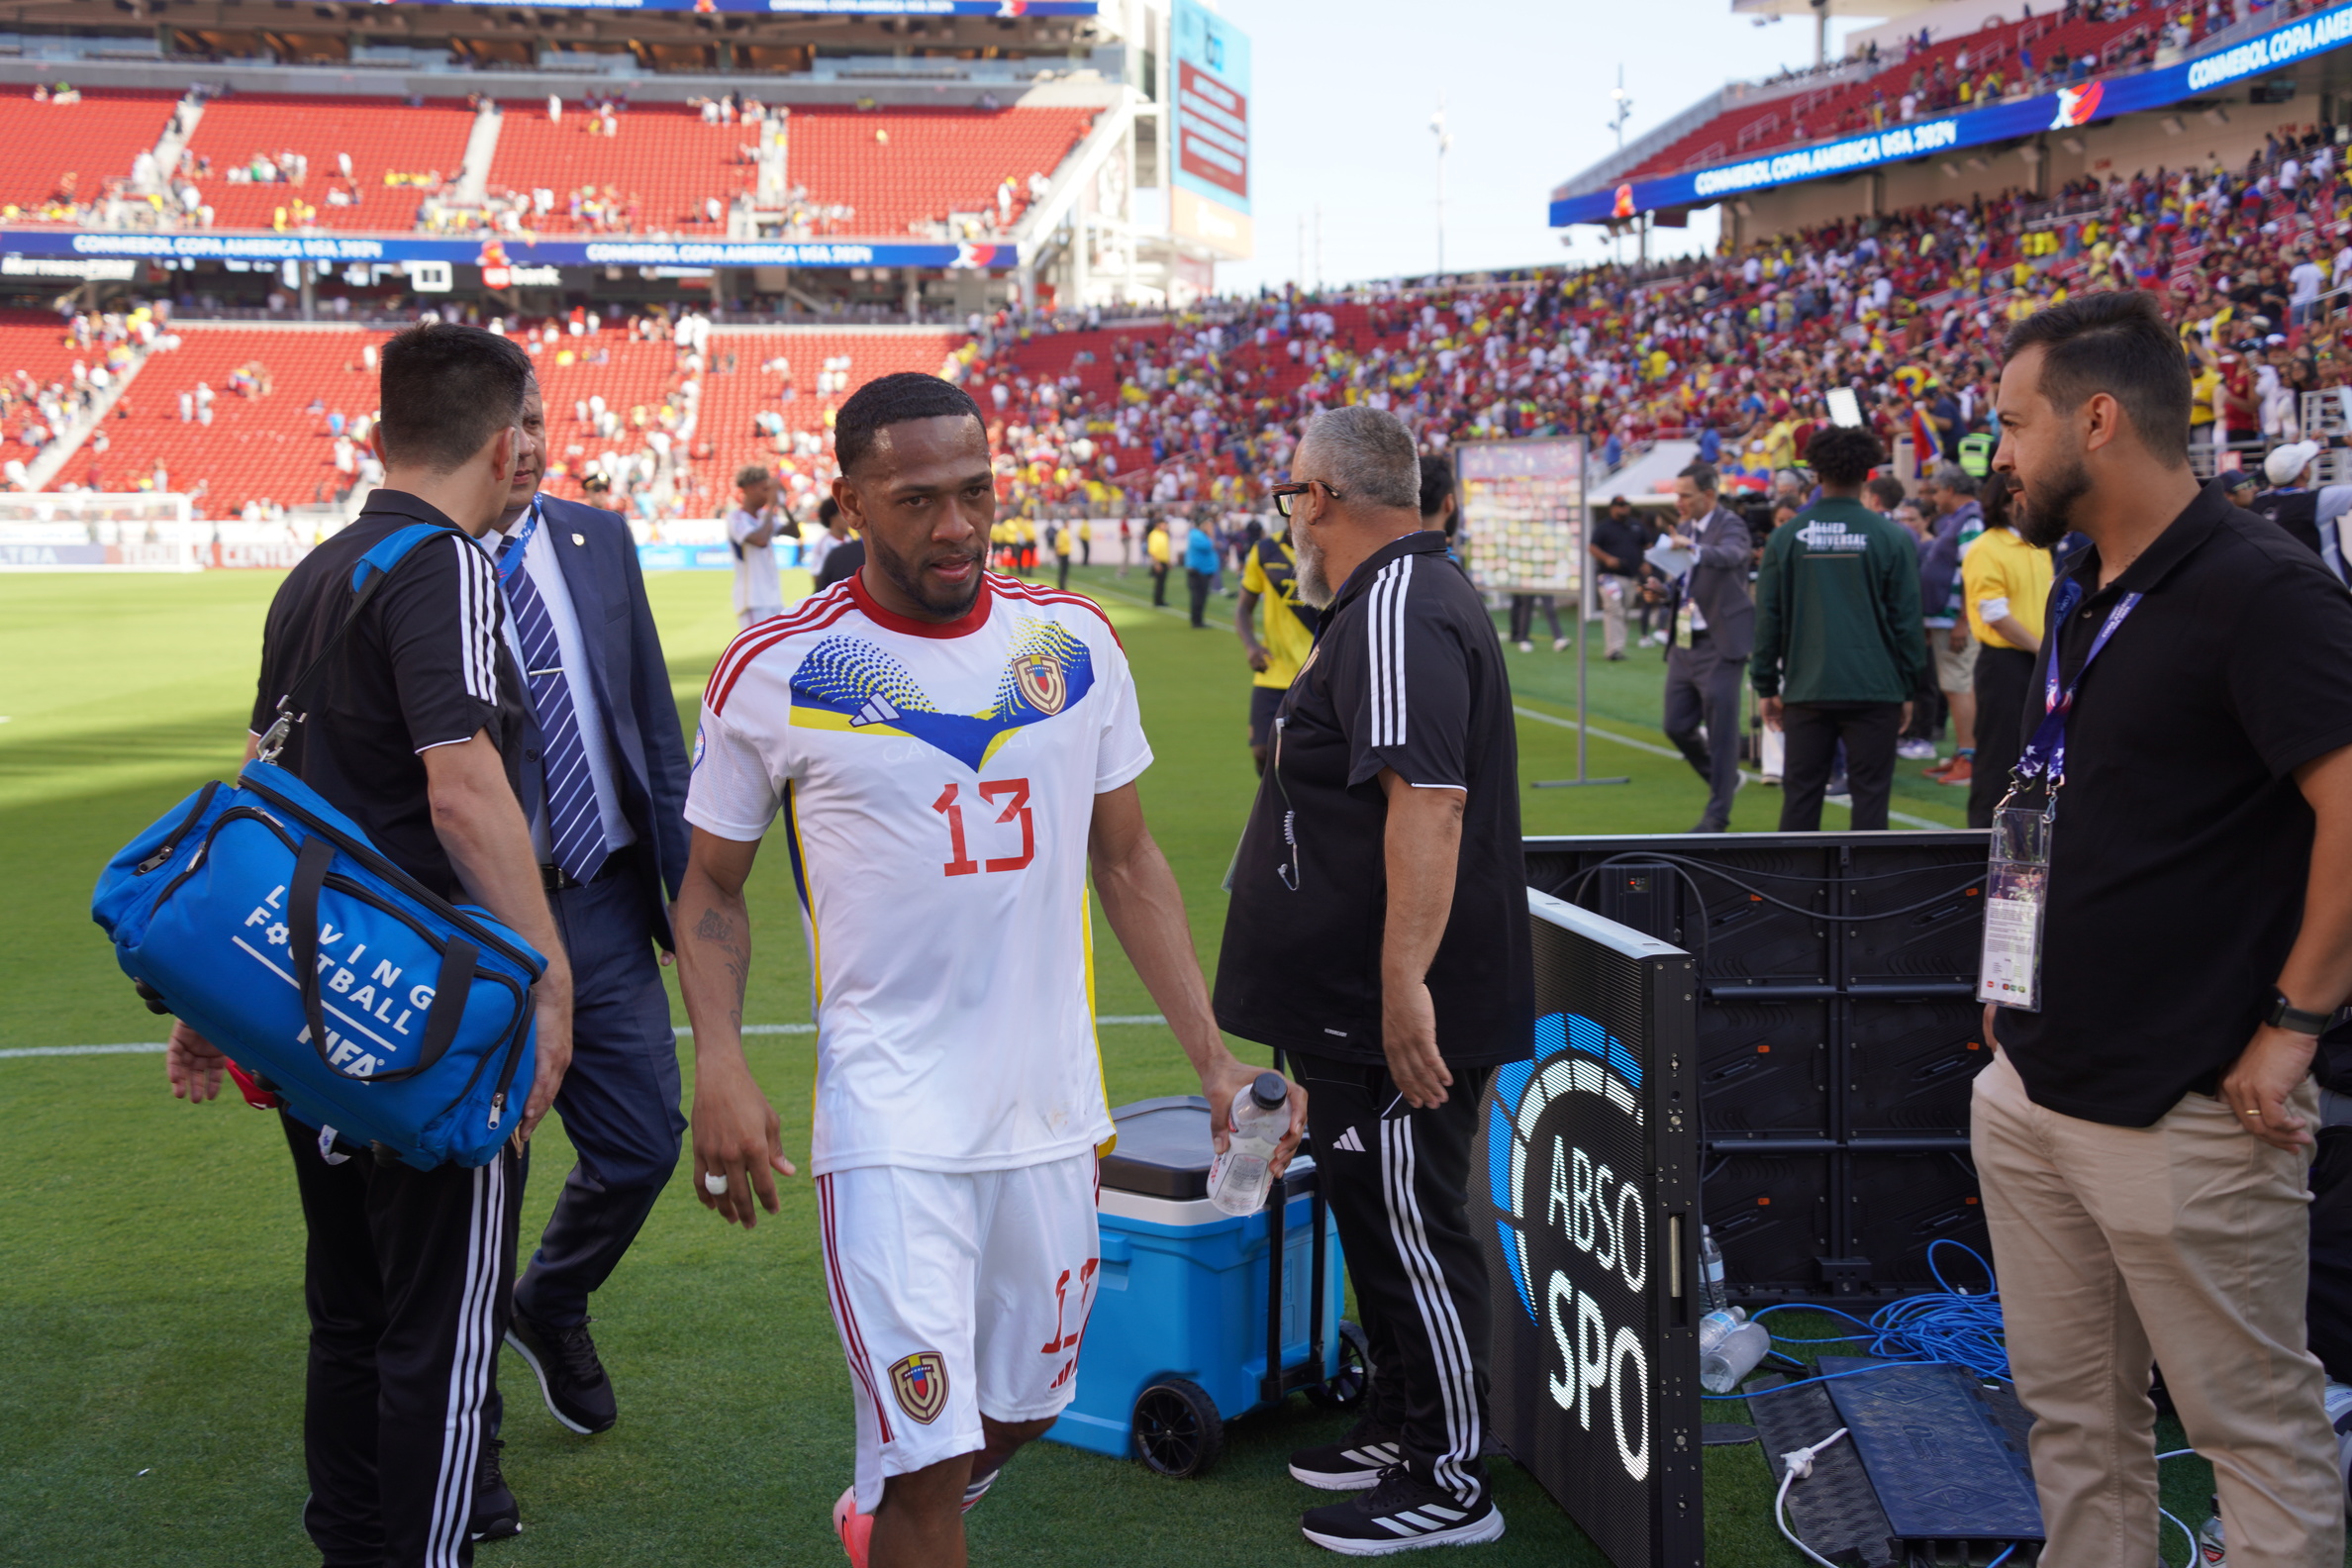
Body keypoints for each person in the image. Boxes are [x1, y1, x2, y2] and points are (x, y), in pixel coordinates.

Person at [675, 373, 1303, 1568]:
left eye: (974, 492)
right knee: (925, 1461)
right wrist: (719, 1059)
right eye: (916, 500)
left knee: (1025, 1410)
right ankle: (904, 1511)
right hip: (889, 1122)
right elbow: (710, 882)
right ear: (850, 503)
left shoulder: (1073, 643)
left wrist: (1214, 1062)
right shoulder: (776, 667)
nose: (956, 525)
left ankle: (884, 1519)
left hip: (1049, 1114)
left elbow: (1127, 860)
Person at [163, 323, 573, 1567]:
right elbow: (463, 788)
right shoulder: (448, 566)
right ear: (501, 445)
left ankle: (350, 1543)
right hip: (426, 1016)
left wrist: (214, 996)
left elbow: (258, 793)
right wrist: (549, 982)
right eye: (530, 428)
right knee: (440, 1333)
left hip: (311, 1003)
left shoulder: (317, 570)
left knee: (348, 1311)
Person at [1979, 289, 2352, 1568]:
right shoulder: (2083, 582)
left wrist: (2293, 1027)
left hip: (2188, 1105)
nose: (2000, 455)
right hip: (2037, 1080)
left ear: (2098, 420)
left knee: (2253, 1432)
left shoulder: (2263, 589)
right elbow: (2058, 795)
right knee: (2073, 1421)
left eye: (2014, 424)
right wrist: (2008, 979)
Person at [1218, 405, 1530, 1555]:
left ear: (1319, 498)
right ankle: (1403, 1425)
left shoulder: (1400, 603)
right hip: (1349, 1000)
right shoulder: (1385, 600)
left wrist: (1404, 985)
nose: (1290, 519)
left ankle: (1450, 1475)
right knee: (1374, 1216)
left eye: (1292, 496)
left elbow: (1428, 802)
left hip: (1387, 1004)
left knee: (1411, 1227)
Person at [473, 385, 693, 1519]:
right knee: (476, 1186)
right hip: (473, 925)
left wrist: (690, 896)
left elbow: (652, 723)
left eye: (538, 422)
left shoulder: (598, 537)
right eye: (503, 425)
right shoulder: (419, 562)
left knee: (645, 1143)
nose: (526, 446)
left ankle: (549, 1300)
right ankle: (467, 1450)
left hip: (603, 901)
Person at [1748, 426, 1926, 833]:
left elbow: (1768, 619)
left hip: (1808, 687)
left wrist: (1766, 685)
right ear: (1867, 473)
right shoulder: (1891, 537)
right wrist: (1909, 687)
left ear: (1815, 473)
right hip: (1876, 688)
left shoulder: (1786, 537)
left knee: (1801, 798)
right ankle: (1868, 877)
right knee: (1871, 801)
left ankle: (1794, 876)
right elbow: (1907, 623)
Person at [1653, 462, 1755, 833]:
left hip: (1720, 642)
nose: (1678, 502)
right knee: (1676, 725)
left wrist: (1694, 548)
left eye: (1685, 495)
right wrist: (1663, 591)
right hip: (1685, 642)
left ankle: (1717, 817)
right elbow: (1685, 582)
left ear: (1708, 495)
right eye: (1677, 494)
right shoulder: (1683, 528)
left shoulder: (1730, 524)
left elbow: (1732, 555)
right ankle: (1724, 780)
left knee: (1722, 732)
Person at [1958, 470, 2051, 830]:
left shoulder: (2036, 545)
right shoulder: (1986, 547)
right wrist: (2042, 648)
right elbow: (1994, 614)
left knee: (2034, 756)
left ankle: (2023, 841)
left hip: (2036, 660)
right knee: (1998, 760)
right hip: (2004, 663)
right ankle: (1983, 838)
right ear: (2007, 501)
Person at [1235, 513, 1319, 776]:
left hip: (1316, 673)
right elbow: (1243, 609)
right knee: (1262, 750)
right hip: (1273, 671)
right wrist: (1251, 646)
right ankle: (1274, 801)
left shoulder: (1327, 549)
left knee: (1314, 757)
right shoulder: (1265, 551)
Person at [1919, 467, 1984, 786]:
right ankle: (1964, 752)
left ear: (1950, 489)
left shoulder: (1970, 518)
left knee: (1958, 683)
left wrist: (1963, 618)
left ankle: (1970, 757)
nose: (1934, 498)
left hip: (1955, 616)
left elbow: (1973, 568)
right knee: (1954, 683)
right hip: (1946, 615)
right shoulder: (1961, 518)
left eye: (1936, 491)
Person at [2247, 440, 2352, 584]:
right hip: (2328, 588)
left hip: (2284, 587)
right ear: (2304, 470)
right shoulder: (2318, 501)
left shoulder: (2257, 504)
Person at [728, 462, 793, 630]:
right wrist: (771, 504)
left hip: (773, 597)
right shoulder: (736, 517)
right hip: (753, 599)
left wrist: (782, 503)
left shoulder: (764, 516)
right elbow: (760, 540)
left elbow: (794, 532)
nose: (768, 494)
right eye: (765, 489)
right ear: (750, 489)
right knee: (757, 645)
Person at [1589, 494, 1646, 661]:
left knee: (1624, 611)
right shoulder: (1603, 526)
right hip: (1609, 577)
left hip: (1630, 577)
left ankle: (1618, 647)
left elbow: (1647, 544)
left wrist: (1646, 562)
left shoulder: (1636, 525)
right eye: (1621, 506)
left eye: (1626, 506)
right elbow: (1592, 547)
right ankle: (1613, 650)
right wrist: (1607, 558)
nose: (1624, 509)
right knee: (1614, 609)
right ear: (1613, 508)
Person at [812, 497, 864, 593]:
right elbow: (818, 575)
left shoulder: (850, 540)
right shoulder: (825, 544)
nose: (849, 518)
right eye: (844, 514)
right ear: (832, 517)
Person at [1182, 512, 1220, 628]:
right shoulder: (1196, 534)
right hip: (1198, 571)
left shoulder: (1199, 535)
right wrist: (1211, 533)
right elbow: (1208, 545)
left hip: (1203, 571)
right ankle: (1197, 621)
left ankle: (1198, 620)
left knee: (1201, 596)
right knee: (1198, 596)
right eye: (1207, 524)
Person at [1145, 515, 1170, 606]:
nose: (1165, 526)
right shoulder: (1154, 535)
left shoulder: (1164, 534)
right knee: (1159, 582)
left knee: (1162, 582)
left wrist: (1168, 561)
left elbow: (1165, 549)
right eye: (1163, 524)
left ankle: (1161, 599)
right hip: (1158, 561)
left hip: (1164, 561)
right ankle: (1157, 600)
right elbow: (1152, 551)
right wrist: (1156, 563)